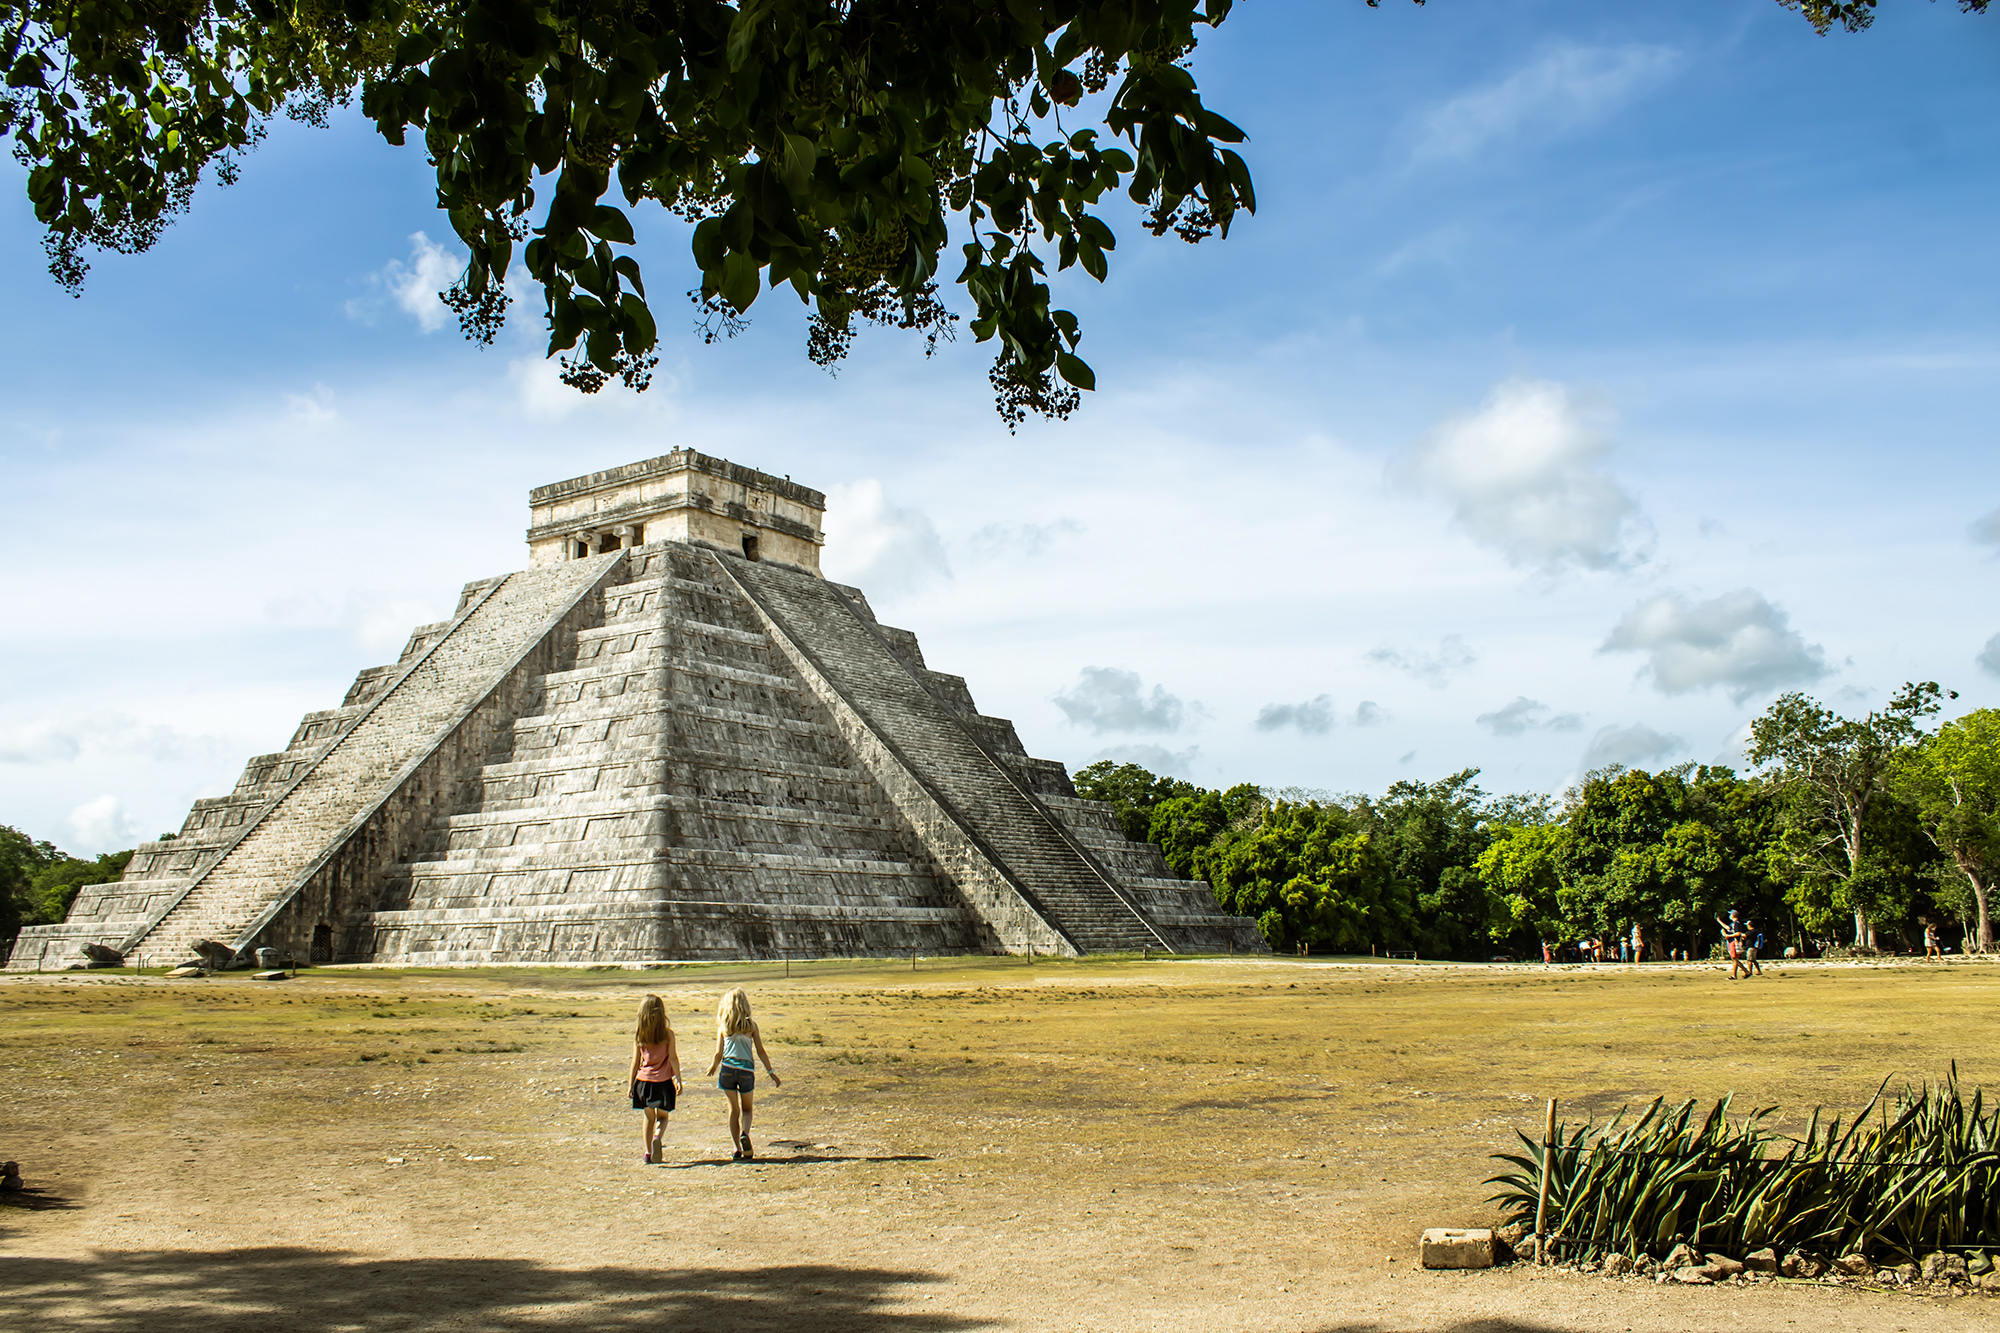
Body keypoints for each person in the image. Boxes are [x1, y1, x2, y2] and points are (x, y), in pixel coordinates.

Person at [706, 987, 781, 1161]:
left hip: (727, 1069)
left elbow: (718, 1053)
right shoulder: (751, 1026)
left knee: (733, 1110)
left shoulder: (723, 1026)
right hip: (746, 1071)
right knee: (747, 1109)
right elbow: (761, 1051)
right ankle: (745, 1134)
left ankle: (736, 1148)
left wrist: (713, 1066)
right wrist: (771, 1072)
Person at [627, 994, 682, 1165]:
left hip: (643, 1083)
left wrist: (630, 1085)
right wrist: (678, 1078)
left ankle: (647, 1153)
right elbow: (673, 1058)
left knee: (648, 1118)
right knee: (662, 1118)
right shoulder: (668, 1035)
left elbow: (635, 1062)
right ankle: (657, 1137)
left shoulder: (640, 1035)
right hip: (663, 1083)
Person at [1716, 910, 1747, 979]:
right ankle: (1746, 971)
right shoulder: (1733, 923)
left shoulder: (1736, 923)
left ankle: (1734, 976)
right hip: (1732, 942)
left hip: (1734, 942)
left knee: (1735, 959)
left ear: (1733, 915)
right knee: (1735, 959)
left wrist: (1728, 936)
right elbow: (1728, 927)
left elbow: (1738, 933)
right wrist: (1719, 921)